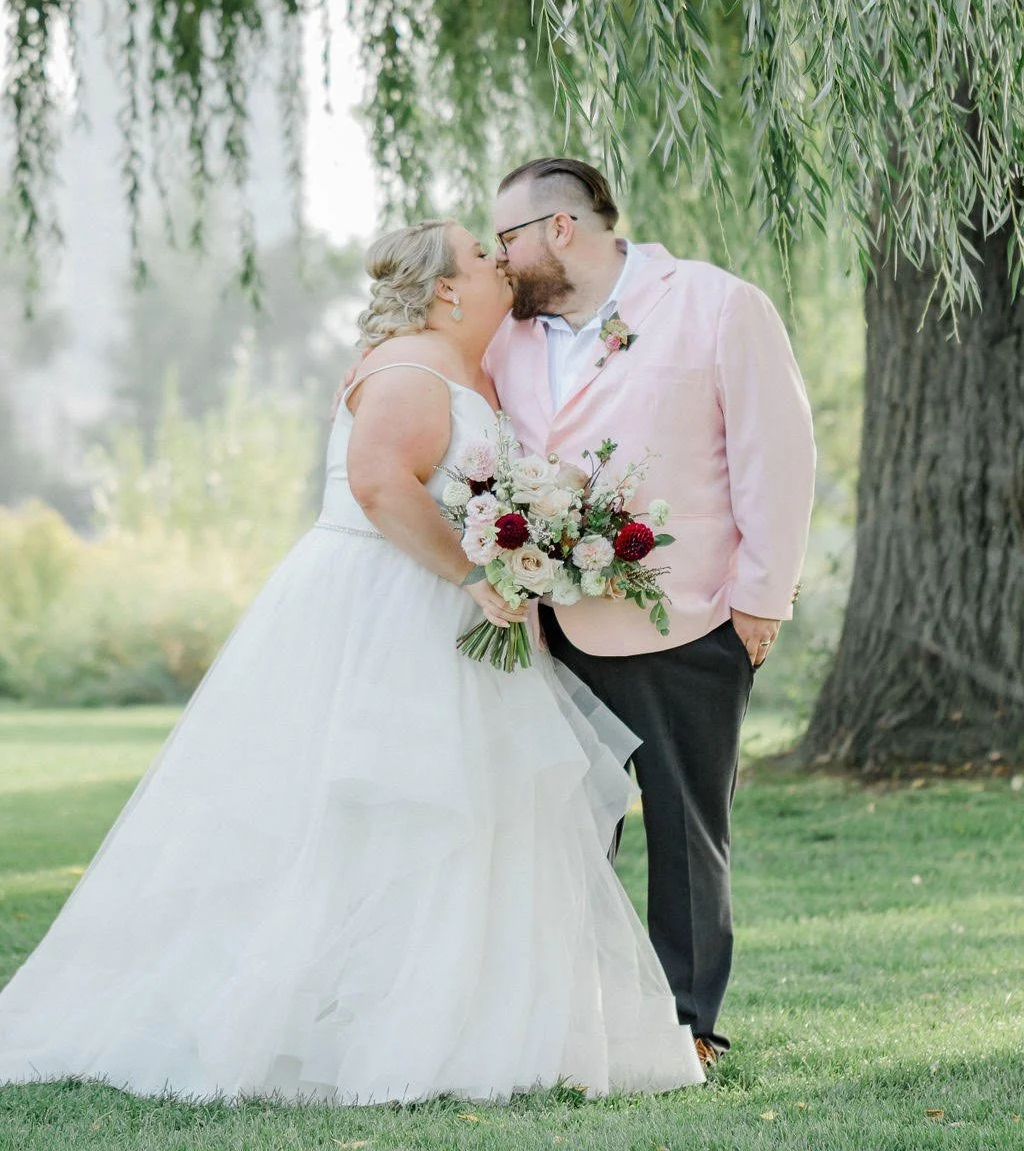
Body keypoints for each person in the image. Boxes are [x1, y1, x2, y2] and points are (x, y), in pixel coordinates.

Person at [0, 220, 703, 1104]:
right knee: (391, 809)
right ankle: (347, 1022)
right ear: (448, 289)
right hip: (389, 610)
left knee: (466, 817)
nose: (498, 260)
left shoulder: (455, 363)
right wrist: (472, 575)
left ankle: (460, 1017)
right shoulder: (412, 367)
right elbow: (378, 484)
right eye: (482, 254)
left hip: (441, 609)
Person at [485, 159, 816, 1069]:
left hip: (689, 618)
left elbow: (776, 457)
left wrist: (759, 602)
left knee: (684, 830)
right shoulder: (506, 340)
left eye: (506, 238)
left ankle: (686, 1027)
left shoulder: (716, 305)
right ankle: (570, 1016)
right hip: (547, 627)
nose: (496, 258)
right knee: (561, 829)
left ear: (561, 228)